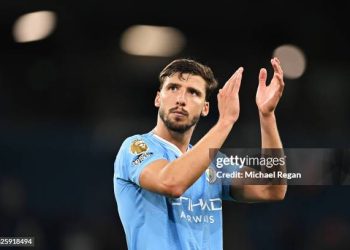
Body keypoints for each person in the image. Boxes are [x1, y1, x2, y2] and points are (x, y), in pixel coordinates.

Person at [113, 58, 287, 250]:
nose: (181, 99)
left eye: (193, 92)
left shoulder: (213, 163)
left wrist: (267, 116)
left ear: (205, 108)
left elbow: (272, 188)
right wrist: (225, 122)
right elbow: (171, 183)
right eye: (173, 88)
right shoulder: (136, 147)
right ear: (158, 98)